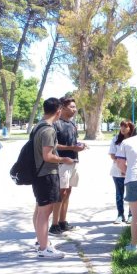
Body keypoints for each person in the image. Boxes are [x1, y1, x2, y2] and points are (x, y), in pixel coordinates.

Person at [32, 97, 75, 258]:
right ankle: (44, 249)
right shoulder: (49, 129)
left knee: (39, 210)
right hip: (47, 174)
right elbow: (48, 156)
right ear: (58, 111)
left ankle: (41, 242)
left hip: (37, 173)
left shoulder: (38, 126)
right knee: (45, 212)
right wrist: (64, 159)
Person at [49, 97, 87, 236]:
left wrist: (79, 146)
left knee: (68, 192)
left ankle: (63, 222)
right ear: (63, 108)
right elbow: (53, 144)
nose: (74, 109)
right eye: (71, 107)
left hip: (73, 162)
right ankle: (54, 225)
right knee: (60, 193)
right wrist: (71, 147)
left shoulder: (71, 124)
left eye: (75, 107)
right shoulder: (55, 124)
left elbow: (73, 142)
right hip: (61, 163)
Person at [109, 120, 135, 224]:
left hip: (131, 171)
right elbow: (112, 155)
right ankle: (120, 215)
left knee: (131, 194)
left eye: (126, 126)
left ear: (131, 128)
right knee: (119, 194)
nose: (123, 129)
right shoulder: (116, 139)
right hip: (117, 171)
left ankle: (131, 215)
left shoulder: (134, 140)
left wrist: (128, 166)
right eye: (121, 126)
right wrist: (122, 165)